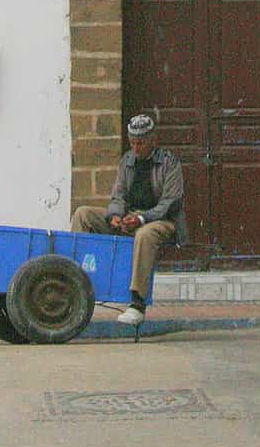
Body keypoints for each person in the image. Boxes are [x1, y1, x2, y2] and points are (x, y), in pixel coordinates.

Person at [70, 112, 186, 324]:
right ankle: (75, 282)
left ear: (153, 141)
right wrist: (115, 215)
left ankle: (137, 303)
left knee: (145, 234)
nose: (136, 148)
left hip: (159, 222)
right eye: (132, 143)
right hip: (128, 219)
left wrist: (142, 218)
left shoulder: (170, 162)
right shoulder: (127, 161)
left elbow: (171, 202)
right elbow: (118, 195)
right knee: (83, 214)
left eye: (140, 143)